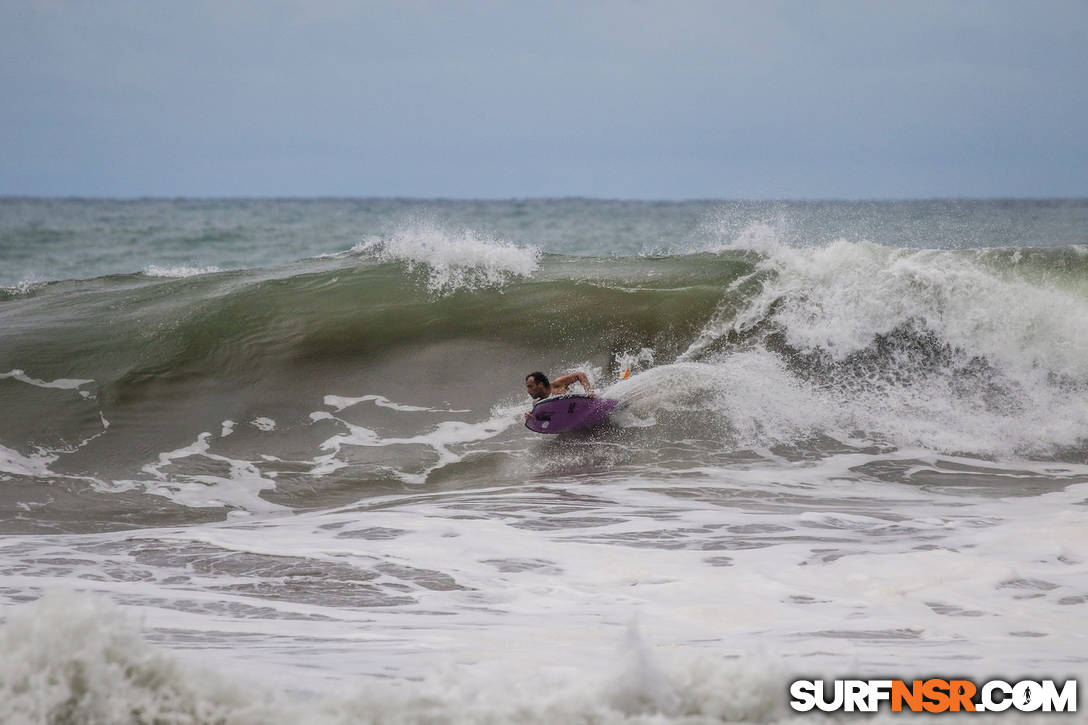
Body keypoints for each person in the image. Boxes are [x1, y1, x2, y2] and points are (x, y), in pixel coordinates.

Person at [525, 371, 594, 401]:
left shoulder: (557, 384)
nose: (528, 391)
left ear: (540, 385)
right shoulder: (538, 404)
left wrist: (588, 391)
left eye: (530, 386)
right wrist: (530, 416)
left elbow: (580, 375)